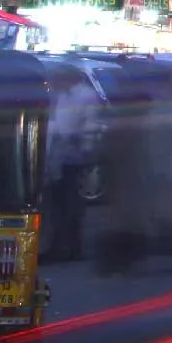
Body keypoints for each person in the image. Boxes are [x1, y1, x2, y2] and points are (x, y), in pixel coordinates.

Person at [43, 66, 102, 264]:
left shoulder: (86, 96)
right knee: (58, 205)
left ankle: (71, 247)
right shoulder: (63, 96)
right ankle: (59, 245)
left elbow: (90, 127)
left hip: (74, 158)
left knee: (70, 205)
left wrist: (84, 149)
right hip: (59, 155)